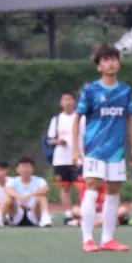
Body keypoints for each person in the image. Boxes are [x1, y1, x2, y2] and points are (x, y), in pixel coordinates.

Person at [74, 45, 132, 252]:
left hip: (116, 151)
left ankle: (108, 239)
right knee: (92, 187)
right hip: (95, 149)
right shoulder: (90, 90)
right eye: (106, 60)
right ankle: (87, 239)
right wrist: (76, 148)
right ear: (99, 66)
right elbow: (77, 118)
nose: (111, 63)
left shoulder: (125, 90)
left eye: (114, 59)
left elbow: (131, 120)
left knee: (114, 191)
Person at [47, 92, 82, 221]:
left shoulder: (81, 118)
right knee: (64, 187)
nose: (67, 102)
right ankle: (68, 213)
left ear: (74, 101)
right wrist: (58, 141)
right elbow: (50, 139)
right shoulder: (56, 119)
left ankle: (83, 211)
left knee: (81, 186)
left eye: (69, 99)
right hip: (61, 159)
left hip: (78, 158)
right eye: (64, 100)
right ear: (60, 103)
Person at [0, 157, 52, 227]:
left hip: (33, 213)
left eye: (28, 167)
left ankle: (45, 219)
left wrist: (29, 195)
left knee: (41, 197)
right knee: (9, 198)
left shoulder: (40, 180)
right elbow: (8, 190)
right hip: (16, 213)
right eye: (23, 167)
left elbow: (45, 189)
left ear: (32, 169)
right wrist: (19, 197)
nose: (25, 169)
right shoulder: (13, 180)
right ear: (17, 169)